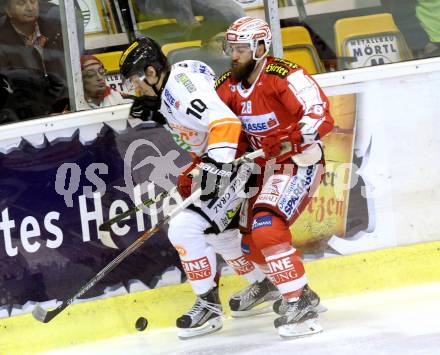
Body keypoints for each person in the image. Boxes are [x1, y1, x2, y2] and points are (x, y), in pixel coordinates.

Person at [119, 37, 278, 339]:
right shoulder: (170, 89)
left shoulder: (179, 89)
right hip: (226, 159)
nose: (134, 88)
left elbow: (226, 124)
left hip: (237, 160)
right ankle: (266, 283)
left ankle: (208, 306)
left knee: (183, 228)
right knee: (221, 235)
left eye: (136, 80)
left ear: (152, 72)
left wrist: (215, 169)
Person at [216, 17, 334, 338]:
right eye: (232, 48)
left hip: (295, 162)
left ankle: (299, 302)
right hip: (258, 167)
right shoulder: (227, 84)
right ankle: (284, 285)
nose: (234, 54)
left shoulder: (285, 76)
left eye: (240, 48)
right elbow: (216, 127)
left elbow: (320, 113)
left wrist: (290, 137)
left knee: (267, 228)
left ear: (260, 47)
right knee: (245, 240)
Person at [0, 0, 67, 121]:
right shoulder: (2, 39)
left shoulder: (56, 26)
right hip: (24, 117)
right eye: (21, 3)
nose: (30, 8)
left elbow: (67, 74)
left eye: (33, 1)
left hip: (64, 107)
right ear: (8, 11)